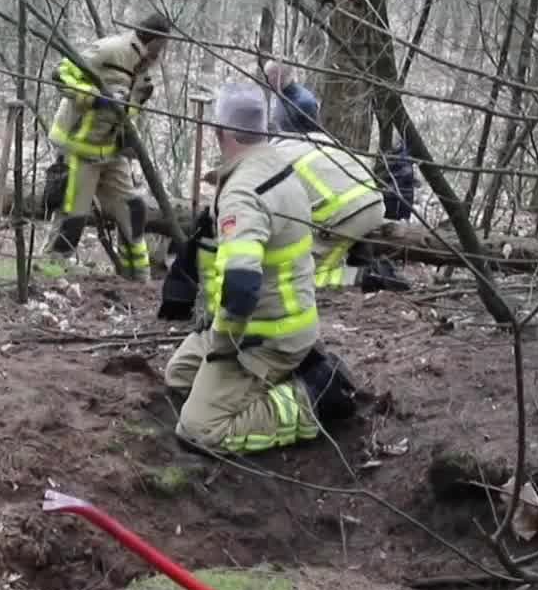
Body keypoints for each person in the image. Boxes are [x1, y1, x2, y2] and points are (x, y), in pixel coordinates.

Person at [151, 83, 323, 455]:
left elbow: (242, 287)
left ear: (219, 133)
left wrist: (224, 346)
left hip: (263, 338)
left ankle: (310, 399)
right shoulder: (278, 163)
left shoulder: (242, 192)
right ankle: (267, 377)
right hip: (278, 319)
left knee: (198, 430)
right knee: (180, 376)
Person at [41, 12, 174, 281]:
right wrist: (97, 98)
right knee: (73, 216)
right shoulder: (110, 50)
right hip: (78, 147)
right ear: (155, 40)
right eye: (164, 45)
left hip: (111, 151)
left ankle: (137, 276)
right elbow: (60, 74)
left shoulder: (144, 67)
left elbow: (129, 109)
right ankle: (50, 273)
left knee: (133, 210)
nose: (165, 52)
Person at [261, 81, 411, 293]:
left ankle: (367, 276)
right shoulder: (327, 141)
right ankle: (359, 251)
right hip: (373, 203)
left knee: (299, 278)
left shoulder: (280, 153)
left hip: (342, 216)